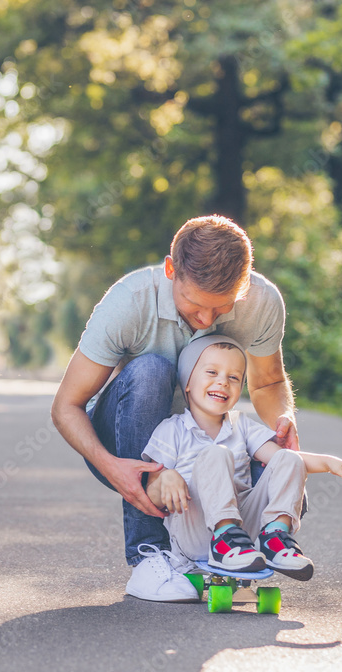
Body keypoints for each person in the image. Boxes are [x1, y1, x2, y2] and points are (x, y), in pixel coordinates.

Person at [51, 214, 299, 602]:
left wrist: (284, 422)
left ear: (244, 287)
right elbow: (67, 406)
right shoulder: (130, 302)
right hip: (128, 443)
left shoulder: (262, 303)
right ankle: (149, 555)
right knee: (152, 370)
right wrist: (111, 465)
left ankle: (223, 552)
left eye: (221, 309)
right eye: (195, 304)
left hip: (206, 448)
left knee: (283, 471)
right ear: (171, 270)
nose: (205, 320)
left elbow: (267, 383)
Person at [139, 335, 342, 595]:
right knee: (215, 454)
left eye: (234, 378)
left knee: (288, 457)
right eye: (212, 372)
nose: (223, 381)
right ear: (187, 382)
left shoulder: (240, 425)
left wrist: (328, 462)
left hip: (245, 532)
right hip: (194, 528)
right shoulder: (172, 430)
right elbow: (150, 492)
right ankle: (223, 540)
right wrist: (166, 476)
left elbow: (281, 460)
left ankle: (275, 539)